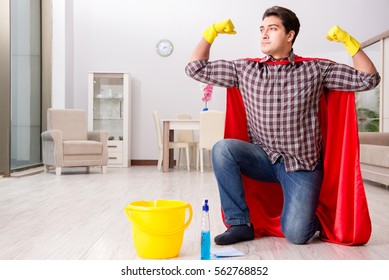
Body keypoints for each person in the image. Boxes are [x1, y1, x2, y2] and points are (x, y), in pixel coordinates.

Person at [185, 6, 381, 245]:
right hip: (262, 159)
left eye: (273, 29)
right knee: (222, 149)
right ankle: (239, 224)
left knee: (297, 235)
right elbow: (195, 68)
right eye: (262, 29)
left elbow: (368, 79)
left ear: (290, 35)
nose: (264, 35)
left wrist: (350, 44)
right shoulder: (245, 69)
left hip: (302, 166)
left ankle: (314, 215)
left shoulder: (316, 69)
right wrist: (211, 33)